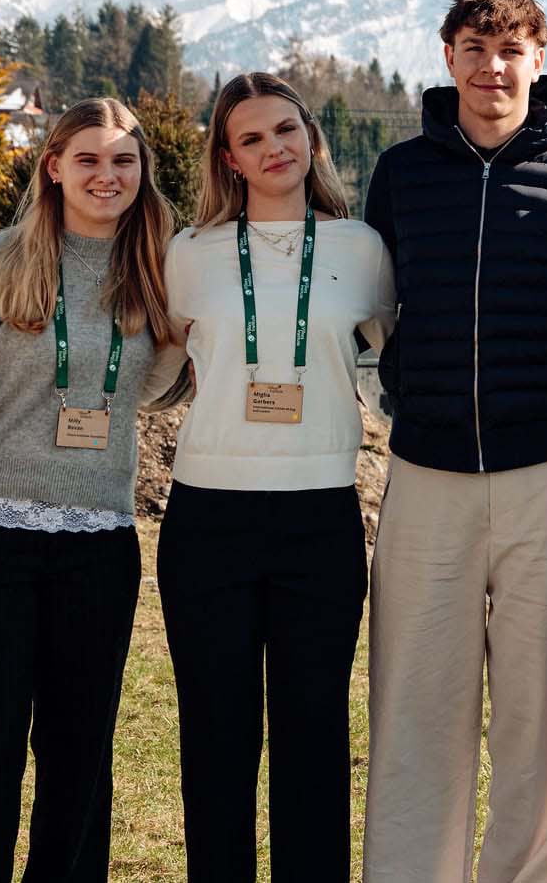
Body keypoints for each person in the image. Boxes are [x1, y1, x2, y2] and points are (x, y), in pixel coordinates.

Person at [360, 0, 547, 883]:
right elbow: (367, 310)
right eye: (476, 47)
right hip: (425, 475)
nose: (493, 66)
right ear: (448, 59)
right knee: (415, 706)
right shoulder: (402, 175)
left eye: (512, 49)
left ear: (539, 61)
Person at [0, 98, 182, 881]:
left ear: (142, 171)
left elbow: (148, 396)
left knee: (79, 755)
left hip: (100, 542)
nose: (106, 175)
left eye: (123, 160)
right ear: (53, 166)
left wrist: (181, 334)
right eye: (87, 159)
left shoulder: (154, 270)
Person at [157, 71, 395, 882]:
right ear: (227, 158)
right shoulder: (188, 255)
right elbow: (157, 375)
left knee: (314, 736)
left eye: (286, 131)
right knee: (216, 738)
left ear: (312, 140)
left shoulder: (362, 249)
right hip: (208, 520)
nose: (273, 150)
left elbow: (401, 367)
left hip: (321, 516)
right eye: (251, 138)